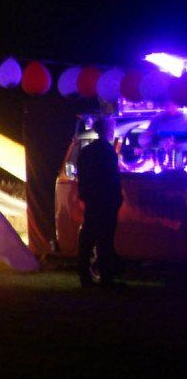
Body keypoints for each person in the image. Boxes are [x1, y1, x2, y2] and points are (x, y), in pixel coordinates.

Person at [75, 118, 124, 288]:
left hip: (92, 199)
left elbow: (81, 175)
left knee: (88, 238)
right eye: (112, 128)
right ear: (107, 130)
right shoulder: (108, 151)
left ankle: (85, 277)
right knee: (105, 239)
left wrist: (85, 194)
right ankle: (105, 277)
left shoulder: (86, 151)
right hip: (106, 199)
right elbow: (112, 177)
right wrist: (117, 197)